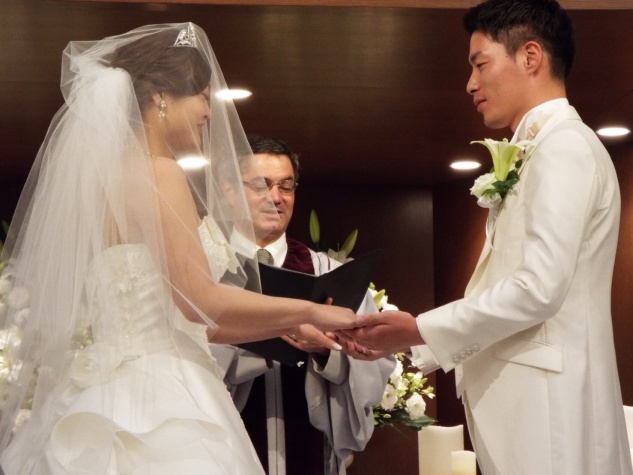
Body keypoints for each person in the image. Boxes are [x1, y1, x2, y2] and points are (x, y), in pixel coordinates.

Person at [0, 23, 359, 474]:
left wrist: (289, 326)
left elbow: (194, 320)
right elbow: (200, 300)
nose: (209, 112)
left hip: (111, 387)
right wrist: (311, 311)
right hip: (159, 392)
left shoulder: (107, 179)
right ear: (161, 98)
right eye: (203, 97)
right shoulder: (158, 172)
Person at [346, 1, 633, 474]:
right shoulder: (541, 148)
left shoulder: (563, 146)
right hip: (535, 410)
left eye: (480, 64)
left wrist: (419, 329)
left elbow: (537, 289)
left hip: (551, 414)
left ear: (531, 57)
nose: (470, 84)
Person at [212, 134, 394, 475]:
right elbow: (184, 356)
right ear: (229, 191)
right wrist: (269, 341)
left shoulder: (331, 273)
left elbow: (375, 365)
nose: (276, 198)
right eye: (261, 185)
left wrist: (326, 351)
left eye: (286, 186)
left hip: (310, 452)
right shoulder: (206, 275)